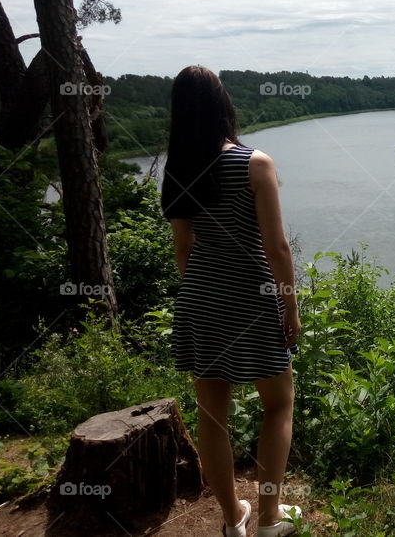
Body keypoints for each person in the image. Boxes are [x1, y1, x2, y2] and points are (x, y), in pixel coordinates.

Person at [161, 65, 302, 537]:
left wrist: (205, 291)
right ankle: (268, 518)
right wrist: (290, 305)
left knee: (212, 416)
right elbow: (276, 247)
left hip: (200, 296)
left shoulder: (178, 167)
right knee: (279, 404)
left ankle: (231, 519)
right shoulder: (254, 164)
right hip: (254, 298)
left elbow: (184, 249)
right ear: (223, 104)